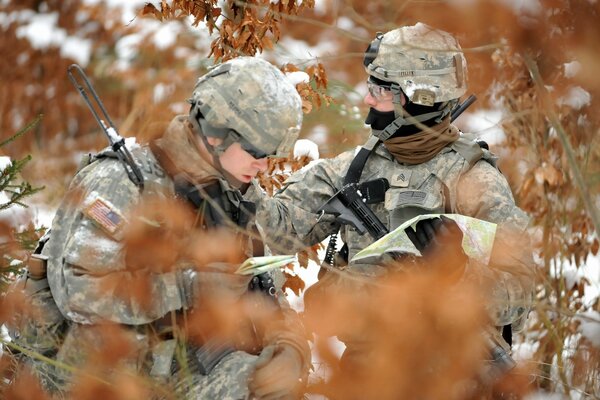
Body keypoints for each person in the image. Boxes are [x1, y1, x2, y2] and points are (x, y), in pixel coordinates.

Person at [6, 56, 311, 399]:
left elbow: (262, 280)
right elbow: (78, 292)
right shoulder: (119, 184)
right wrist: (185, 288)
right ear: (215, 133)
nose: (264, 164)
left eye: (270, 154)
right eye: (256, 150)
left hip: (183, 365)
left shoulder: (234, 192)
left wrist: (289, 343)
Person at [253, 23, 535, 391]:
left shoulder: (473, 180)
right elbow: (273, 228)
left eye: (380, 90)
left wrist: (460, 273)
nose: (368, 100)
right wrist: (238, 167)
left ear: (418, 97)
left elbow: (520, 293)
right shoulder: (352, 170)